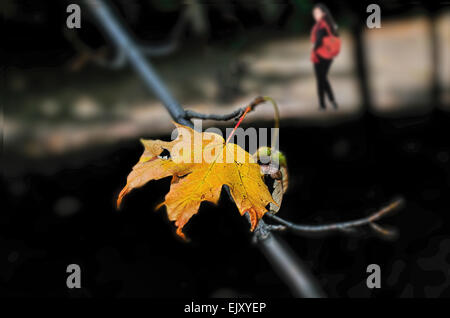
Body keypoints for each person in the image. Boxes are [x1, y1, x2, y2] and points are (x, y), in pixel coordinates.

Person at [310, 3, 339, 110]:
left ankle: (323, 104)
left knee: (320, 80)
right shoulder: (330, 24)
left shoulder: (321, 26)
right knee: (323, 78)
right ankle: (332, 102)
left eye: (317, 12)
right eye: (314, 13)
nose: (315, 15)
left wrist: (313, 49)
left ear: (323, 13)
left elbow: (318, 41)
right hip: (329, 55)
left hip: (320, 55)